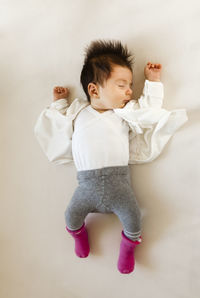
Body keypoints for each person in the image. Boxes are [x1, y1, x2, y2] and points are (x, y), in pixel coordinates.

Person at [34, 40, 188, 274]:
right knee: (70, 217)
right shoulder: (78, 111)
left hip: (120, 187)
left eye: (130, 85)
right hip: (85, 187)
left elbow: (149, 112)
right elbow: (57, 124)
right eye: (121, 85)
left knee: (134, 219)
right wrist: (59, 103)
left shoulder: (124, 114)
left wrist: (153, 83)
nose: (128, 91)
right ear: (94, 90)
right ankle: (79, 235)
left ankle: (127, 248)